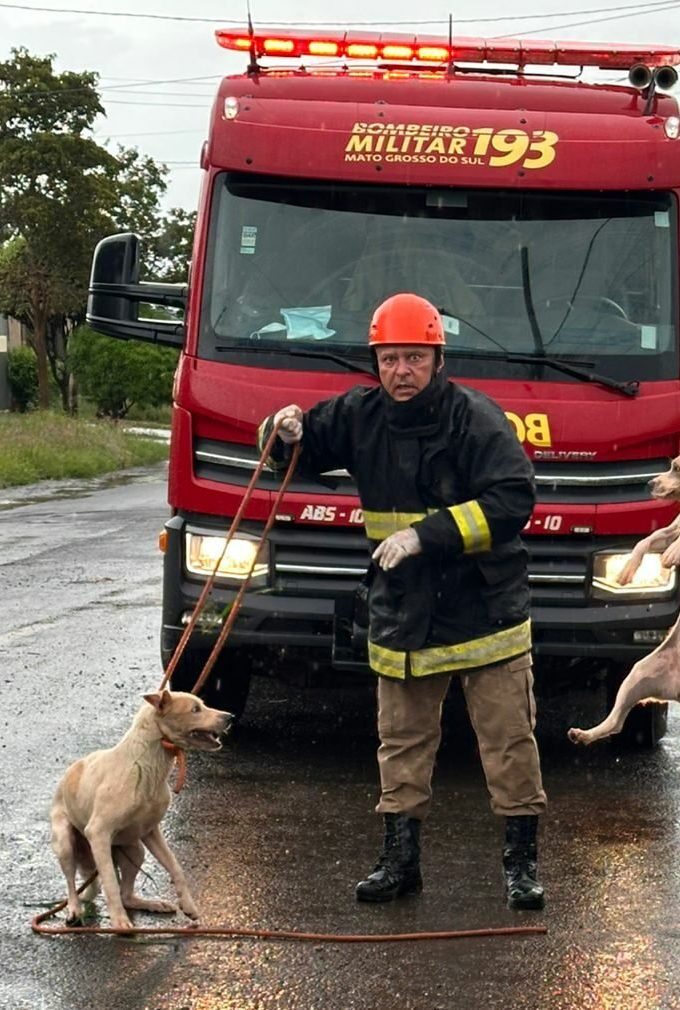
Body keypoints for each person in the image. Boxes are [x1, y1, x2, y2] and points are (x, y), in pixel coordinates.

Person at [260, 291, 548, 910]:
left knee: (508, 741)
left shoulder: (477, 419)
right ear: (375, 362)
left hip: (483, 609)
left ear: (438, 359)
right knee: (401, 741)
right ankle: (400, 863)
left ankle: (521, 866)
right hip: (404, 611)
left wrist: (427, 535)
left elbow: (513, 501)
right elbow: (302, 448)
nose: (401, 372)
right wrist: (283, 433)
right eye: (389, 359)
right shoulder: (360, 414)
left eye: (414, 358)